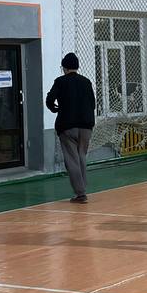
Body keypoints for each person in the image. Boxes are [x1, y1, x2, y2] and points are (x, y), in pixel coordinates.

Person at [46, 52, 96, 203]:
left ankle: (81, 193)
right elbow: (93, 104)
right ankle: (83, 188)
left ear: (65, 68)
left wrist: (54, 108)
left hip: (67, 126)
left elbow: (50, 99)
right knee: (81, 156)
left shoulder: (60, 82)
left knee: (72, 159)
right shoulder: (86, 82)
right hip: (86, 126)